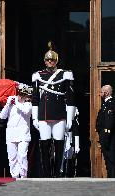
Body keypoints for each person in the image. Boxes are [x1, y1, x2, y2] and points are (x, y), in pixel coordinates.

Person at [31, 41, 75, 178]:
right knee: (44, 145)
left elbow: (70, 98)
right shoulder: (38, 76)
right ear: (45, 62)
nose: (50, 62)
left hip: (59, 114)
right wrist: (34, 117)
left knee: (59, 144)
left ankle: (57, 172)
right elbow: (35, 99)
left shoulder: (64, 75)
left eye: (52, 60)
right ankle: (46, 173)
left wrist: (70, 118)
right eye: (48, 60)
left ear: (56, 61)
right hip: (44, 115)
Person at [0, 83, 32, 179]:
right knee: (12, 157)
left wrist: (17, 102)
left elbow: (26, 111)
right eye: (19, 94)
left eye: (23, 94)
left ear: (26, 95)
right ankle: (14, 176)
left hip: (23, 134)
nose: (20, 96)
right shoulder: (11, 105)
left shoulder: (28, 104)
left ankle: (23, 176)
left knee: (22, 156)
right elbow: (2, 116)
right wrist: (7, 104)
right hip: (11, 134)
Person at [96, 85, 115, 178]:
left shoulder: (111, 104)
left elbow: (109, 121)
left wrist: (106, 136)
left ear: (106, 93)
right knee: (108, 160)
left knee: (111, 159)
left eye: (101, 92)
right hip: (105, 135)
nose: (99, 94)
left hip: (109, 136)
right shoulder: (105, 104)